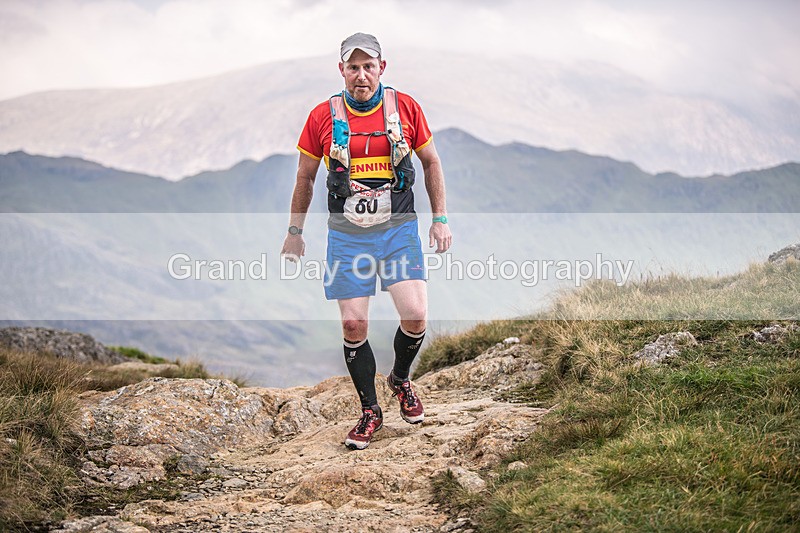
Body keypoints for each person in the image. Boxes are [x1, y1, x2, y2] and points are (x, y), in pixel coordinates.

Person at [281, 32, 452, 450]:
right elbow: (305, 176)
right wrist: (294, 233)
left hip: (398, 230)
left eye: (368, 66)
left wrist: (440, 219)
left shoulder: (406, 108)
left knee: (415, 316)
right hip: (346, 235)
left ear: (382, 68)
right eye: (353, 67)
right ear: (341, 70)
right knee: (354, 324)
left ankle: (400, 379)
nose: (361, 75)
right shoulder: (322, 116)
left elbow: (430, 162)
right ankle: (370, 412)